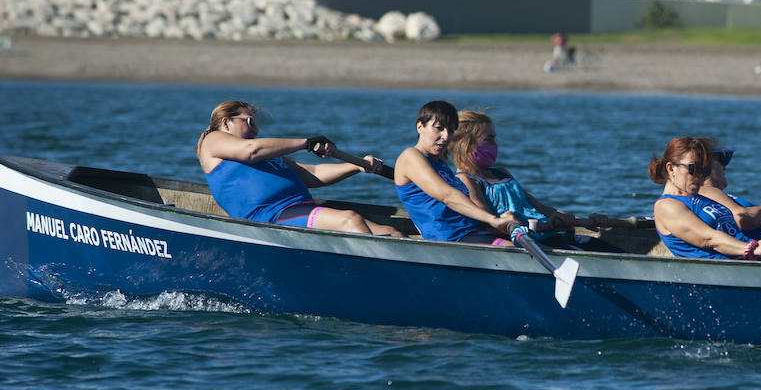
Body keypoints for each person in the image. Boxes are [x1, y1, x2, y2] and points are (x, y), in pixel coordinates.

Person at [196, 100, 402, 236]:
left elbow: (312, 175)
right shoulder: (213, 140)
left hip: (302, 210)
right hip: (270, 218)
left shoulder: (266, 154)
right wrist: (307, 143)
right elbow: (251, 150)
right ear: (226, 122)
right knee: (350, 219)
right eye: (249, 122)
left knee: (392, 233)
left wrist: (355, 166)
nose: (256, 129)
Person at [450, 109, 602, 244]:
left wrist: (581, 220)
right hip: (528, 240)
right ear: (466, 144)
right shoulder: (466, 180)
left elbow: (541, 208)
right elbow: (489, 224)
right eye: (488, 140)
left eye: (494, 139)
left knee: (605, 248)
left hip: (550, 233)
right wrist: (544, 226)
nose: (495, 145)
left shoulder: (502, 173)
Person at [393, 101, 520, 244]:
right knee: (513, 248)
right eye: (439, 128)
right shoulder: (410, 156)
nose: (446, 136)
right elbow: (447, 196)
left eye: (451, 130)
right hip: (451, 238)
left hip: (474, 231)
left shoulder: (439, 164)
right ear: (420, 127)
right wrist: (493, 219)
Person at [650, 136, 761, 260]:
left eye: (705, 170)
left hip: (757, 258)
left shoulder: (705, 198)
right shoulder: (666, 206)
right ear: (671, 168)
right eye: (693, 168)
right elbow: (708, 239)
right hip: (730, 270)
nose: (700, 176)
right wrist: (753, 248)